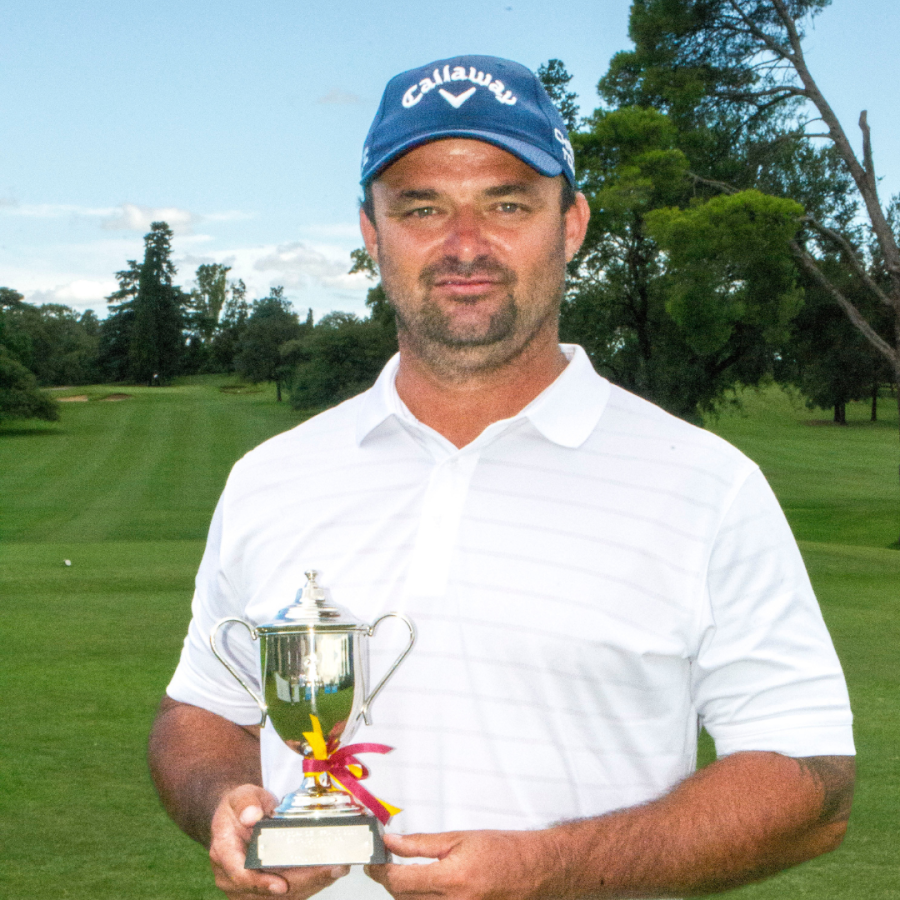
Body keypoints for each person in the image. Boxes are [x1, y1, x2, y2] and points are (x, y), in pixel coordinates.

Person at [148, 55, 855, 900]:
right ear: (373, 234)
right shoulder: (270, 478)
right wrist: (229, 802)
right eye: (421, 207)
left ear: (572, 225)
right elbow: (201, 713)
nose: (465, 245)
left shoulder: (707, 484)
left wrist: (553, 867)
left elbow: (812, 782)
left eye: (508, 202)